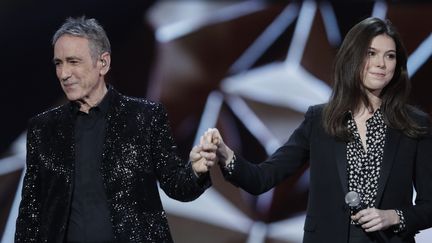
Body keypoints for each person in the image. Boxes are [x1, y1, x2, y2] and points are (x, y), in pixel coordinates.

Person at [202, 17, 432, 242]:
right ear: (352, 58)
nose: (381, 63)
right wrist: (227, 156)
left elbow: (429, 206)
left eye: (390, 56)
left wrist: (394, 216)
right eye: (371, 53)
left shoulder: (414, 124)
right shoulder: (320, 120)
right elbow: (262, 178)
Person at [15, 16, 216, 243]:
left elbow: (178, 186)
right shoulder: (43, 129)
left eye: (74, 62)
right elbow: (31, 211)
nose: (64, 73)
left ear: (103, 64)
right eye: (59, 63)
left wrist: (197, 171)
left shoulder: (146, 118)